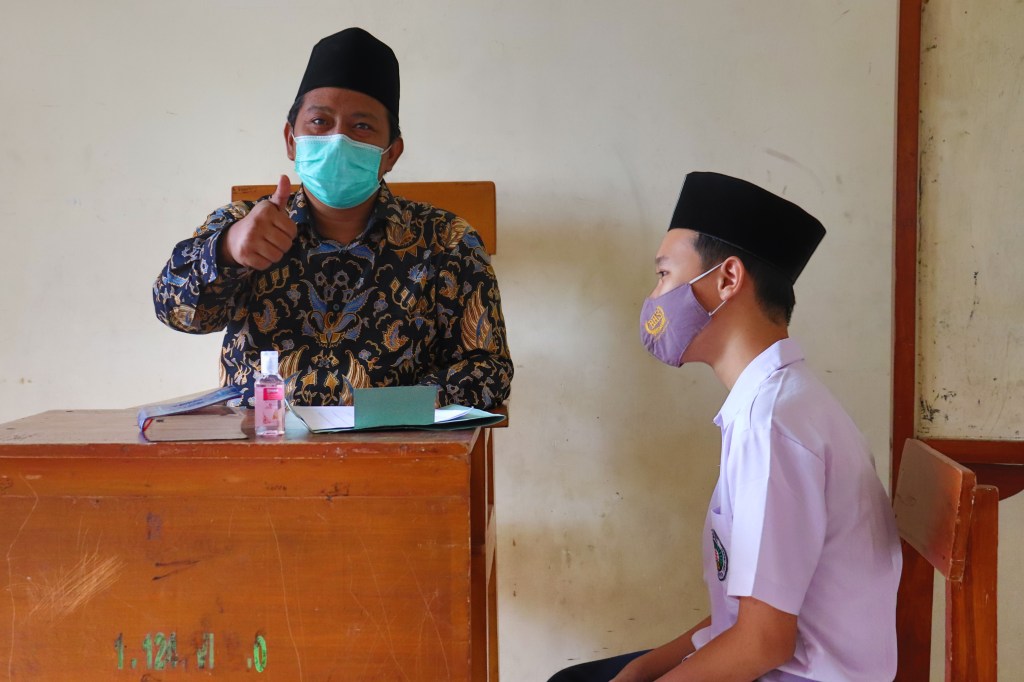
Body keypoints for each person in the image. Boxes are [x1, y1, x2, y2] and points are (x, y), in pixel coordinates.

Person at [548, 172, 902, 681]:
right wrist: (644, 669)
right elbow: (740, 619)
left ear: (727, 279)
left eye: (665, 274)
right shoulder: (775, 402)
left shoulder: (772, 424)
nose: (655, 297)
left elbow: (762, 642)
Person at [152, 28, 512, 409]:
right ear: (291, 140)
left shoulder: (446, 240)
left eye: (362, 126)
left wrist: (387, 410)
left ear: (391, 153)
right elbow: (175, 311)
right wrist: (226, 250)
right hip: (263, 438)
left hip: (395, 440)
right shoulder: (243, 224)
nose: (338, 139)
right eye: (320, 122)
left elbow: (490, 371)